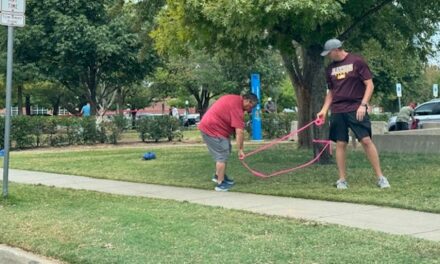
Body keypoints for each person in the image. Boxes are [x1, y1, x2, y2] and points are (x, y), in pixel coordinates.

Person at [317, 38, 390, 189]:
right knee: (340, 143)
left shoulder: (357, 61)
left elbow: (369, 85)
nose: (328, 56)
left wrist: (363, 104)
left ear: (337, 49)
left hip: (356, 107)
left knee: (366, 141)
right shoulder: (329, 69)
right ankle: (342, 180)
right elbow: (331, 92)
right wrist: (324, 110)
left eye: (329, 53)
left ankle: (381, 177)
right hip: (338, 110)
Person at [198, 93, 258, 191]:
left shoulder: (233, 99)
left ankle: (218, 176)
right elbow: (239, 132)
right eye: (252, 106)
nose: (250, 109)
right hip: (212, 129)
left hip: (214, 128)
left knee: (226, 150)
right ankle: (220, 184)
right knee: (222, 155)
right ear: (247, 100)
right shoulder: (237, 109)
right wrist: (240, 150)